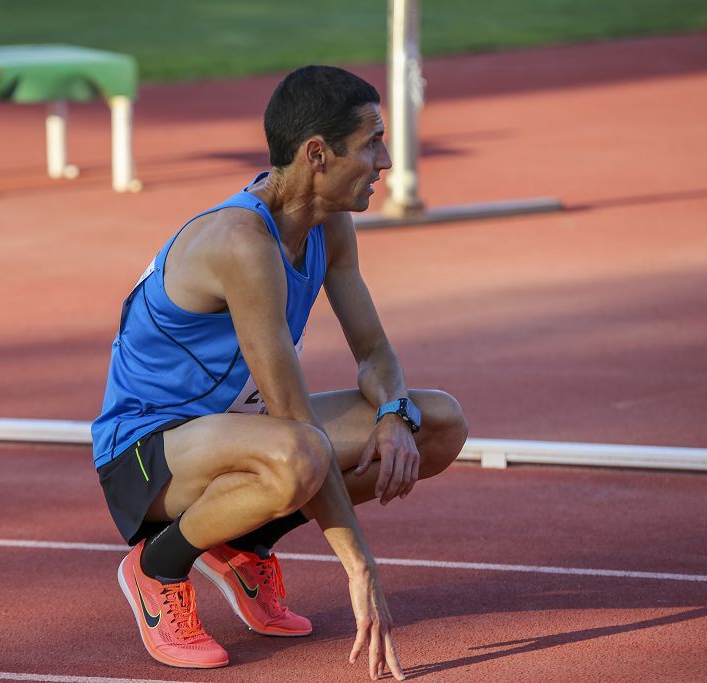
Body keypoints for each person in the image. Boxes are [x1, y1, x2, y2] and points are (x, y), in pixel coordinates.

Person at [91, 65, 468, 681]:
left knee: (440, 424)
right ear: (317, 154)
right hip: (147, 453)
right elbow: (295, 424)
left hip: (243, 433)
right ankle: (158, 566)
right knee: (297, 452)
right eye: (371, 141)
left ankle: (244, 544)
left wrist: (396, 414)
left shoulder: (329, 223)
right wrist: (359, 567)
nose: (387, 160)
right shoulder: (242, 242)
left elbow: (374, 352)